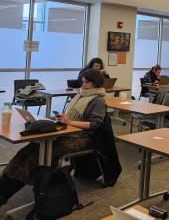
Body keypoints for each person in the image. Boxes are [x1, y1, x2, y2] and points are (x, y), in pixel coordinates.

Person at [0, 69, 108, 206]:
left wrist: (70, 122)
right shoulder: (81, 94)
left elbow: (95, 124)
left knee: (37, 156)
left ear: (96, 83)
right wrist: (62, 119)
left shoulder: (98, 99)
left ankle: (7, 194)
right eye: (83, 82)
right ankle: (2, 189)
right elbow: (70, 117)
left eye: (87, 82)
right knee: (25, 152)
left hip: (84, 138)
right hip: (68, 131)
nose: (83, 85)